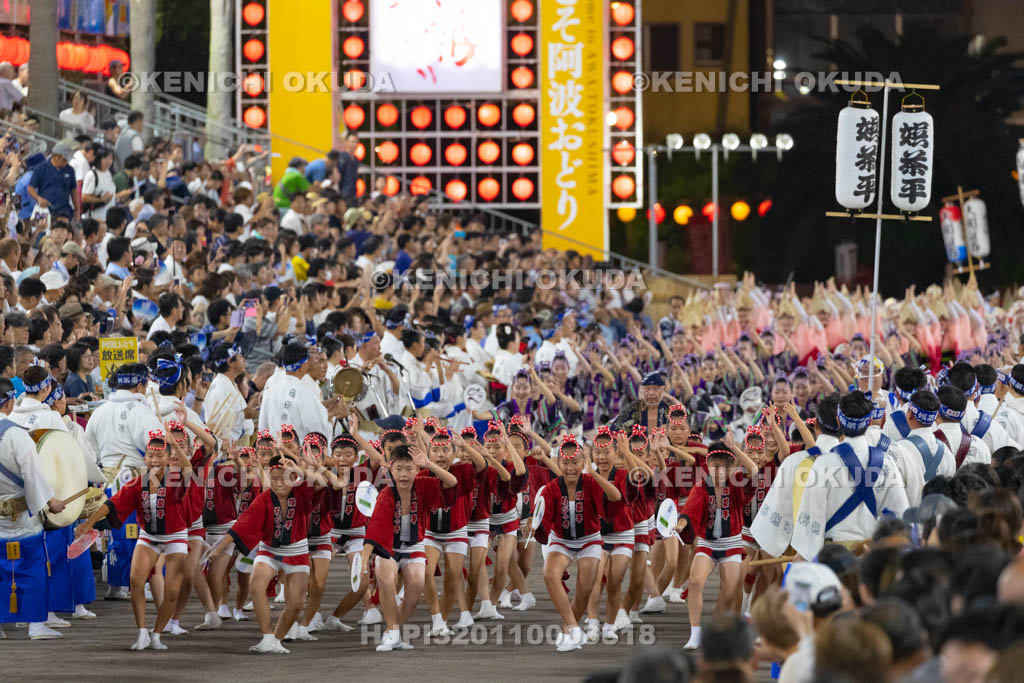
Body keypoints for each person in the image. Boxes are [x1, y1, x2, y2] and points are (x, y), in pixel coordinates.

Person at [76, 429, 194, 651]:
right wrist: (88, 523)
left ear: (169, 458)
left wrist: (175, 444)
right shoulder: (137, 483)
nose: (154, 460)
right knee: (136, 580)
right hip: (149, 535)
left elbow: (188, 468)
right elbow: (111, 505)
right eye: (150, 455)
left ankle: (157, 633)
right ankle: (142, 632)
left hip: (175, 535)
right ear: (144, 458)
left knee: (172, 590)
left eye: (160, 456)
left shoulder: (176, 479)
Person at [359, 443, 457, 652]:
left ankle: (392, 632)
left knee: (413, 597)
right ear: (390, 469)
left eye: (409, 469)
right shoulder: (386, 494)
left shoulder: (423, 485)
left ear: (417, 469)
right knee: (386, 580)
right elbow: (374, 529)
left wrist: (429, 463)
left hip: (414, 546)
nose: (403, 474)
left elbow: (451, 482)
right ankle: (393, 631)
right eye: (399, 469)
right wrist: (363, 563)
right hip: (388, 547)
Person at [791, 391, 910, 560]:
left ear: (839, 421)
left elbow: (811, 520)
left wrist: (804, 556)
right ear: (869, 422)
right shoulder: (886, 463)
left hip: (833, 558)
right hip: (871, 556)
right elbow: (899, 515)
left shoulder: (823, 464)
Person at [534, 434, 622, 651]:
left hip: (589, 540)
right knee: (549, 574)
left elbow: (616, 497)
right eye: (565, 463)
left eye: (575, 463)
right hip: (561, 540)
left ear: (584, 462)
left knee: (584, 589)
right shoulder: (551, 488)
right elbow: (543, 519)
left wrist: (594, 474)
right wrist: (534, 526)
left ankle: (568, 632)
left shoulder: (591, 483)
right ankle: (574, 628)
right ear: (558, 463)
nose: (570, 468)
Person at [675, 435, 759, 650]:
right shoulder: (701, 487)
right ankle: (695, 633)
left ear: (731, 467)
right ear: (707, 466)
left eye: (723, 467)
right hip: (707, 544)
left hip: (732, 544)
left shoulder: (738, 485)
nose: (718, 471)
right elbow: (689, 512)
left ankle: (718, 631)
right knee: (694, 582)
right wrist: (681, 524)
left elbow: (755, 471)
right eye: (714, 466)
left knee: (730, 592)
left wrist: (736, 450)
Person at [0, 377, 68, 640]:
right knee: (32, 566)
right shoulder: (16, 434)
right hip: (21, 515)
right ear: (8, 402)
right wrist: (50, 502)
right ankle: (35, 624)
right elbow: (33, 474)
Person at [27, 140, 78, 220]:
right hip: (43, 208)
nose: (66, 162)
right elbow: (30, 188)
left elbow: (74, 191)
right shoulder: (41, 168)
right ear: (56, 157)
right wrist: (39, 198)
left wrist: (77, 210)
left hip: (63, 210)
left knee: (62, 229)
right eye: (64, 160)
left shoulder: (70, 170)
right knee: (40, 230)